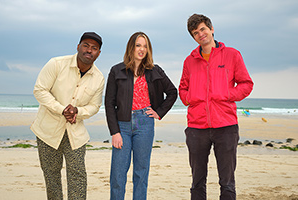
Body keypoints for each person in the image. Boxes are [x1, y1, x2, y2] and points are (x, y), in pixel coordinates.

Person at [179, 14, 254, 200]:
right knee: (197, 181)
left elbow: (246, 84)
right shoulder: (189, 61)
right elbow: (182, 89)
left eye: (203, 29)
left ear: (211, 29)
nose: (200, 34)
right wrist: (191, 98)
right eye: (195, 33)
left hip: (226, 126)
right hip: (197, 128)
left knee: (227, 182)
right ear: (193, 37)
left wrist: (227, 95)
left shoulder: (232, 55)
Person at [30, 32, 105, 200]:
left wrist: (77, 112)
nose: (89, 50)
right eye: (86, 45)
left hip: (75, 133)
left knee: (78, 176)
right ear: (78, 47)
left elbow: (95, 106)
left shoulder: (99, 78)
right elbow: (40, 90)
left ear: (98, 54)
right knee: (52, 176)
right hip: (47, 131)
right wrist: (61, 109)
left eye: (94, 48)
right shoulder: (56, 64)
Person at [105, 31, 177, 200]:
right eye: (138, 45)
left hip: (145, 124)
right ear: (131, 47)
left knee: (141, 173)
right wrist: (114, 132)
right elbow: (109, 103)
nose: (142, 49)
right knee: (118, 174)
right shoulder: (117, 70)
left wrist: (159, 112)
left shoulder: (155, 70)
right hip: (122, 125)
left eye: (145, 46)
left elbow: (172, 92)